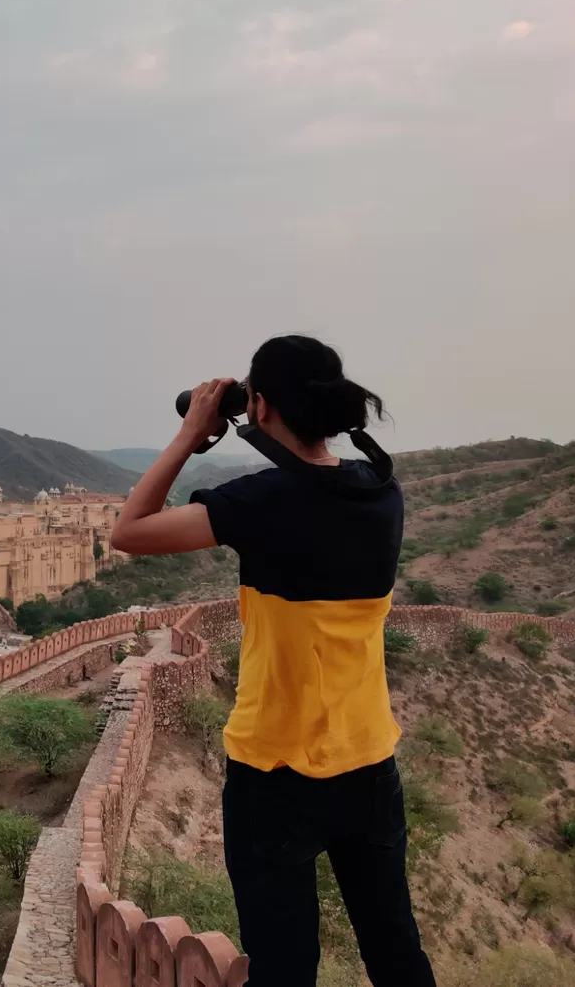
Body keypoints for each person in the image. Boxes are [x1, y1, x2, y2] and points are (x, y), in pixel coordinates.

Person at [109, 335, 435, 987]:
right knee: (396, 951)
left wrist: (189, 434)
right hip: (370, 761)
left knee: (284, 970)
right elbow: (321, 476)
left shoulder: (264, 501)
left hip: (275, 772)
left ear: (257, 407)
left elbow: (130, 531)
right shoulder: (382, 493)